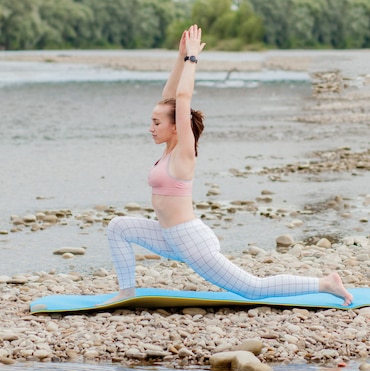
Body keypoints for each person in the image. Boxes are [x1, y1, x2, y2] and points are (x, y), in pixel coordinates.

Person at [101, 24, 353, 307]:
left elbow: (182, 100)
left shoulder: (184, 151)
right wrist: (180, 55)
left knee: (253, 289)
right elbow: (170, 98)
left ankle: (325, 283)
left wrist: (192, 59)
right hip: (167, 236)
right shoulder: (169, 146)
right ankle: (127, 291)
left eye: (156, 123)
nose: (150, 128)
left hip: (190, 241)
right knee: (118, 227)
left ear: (176, 127)